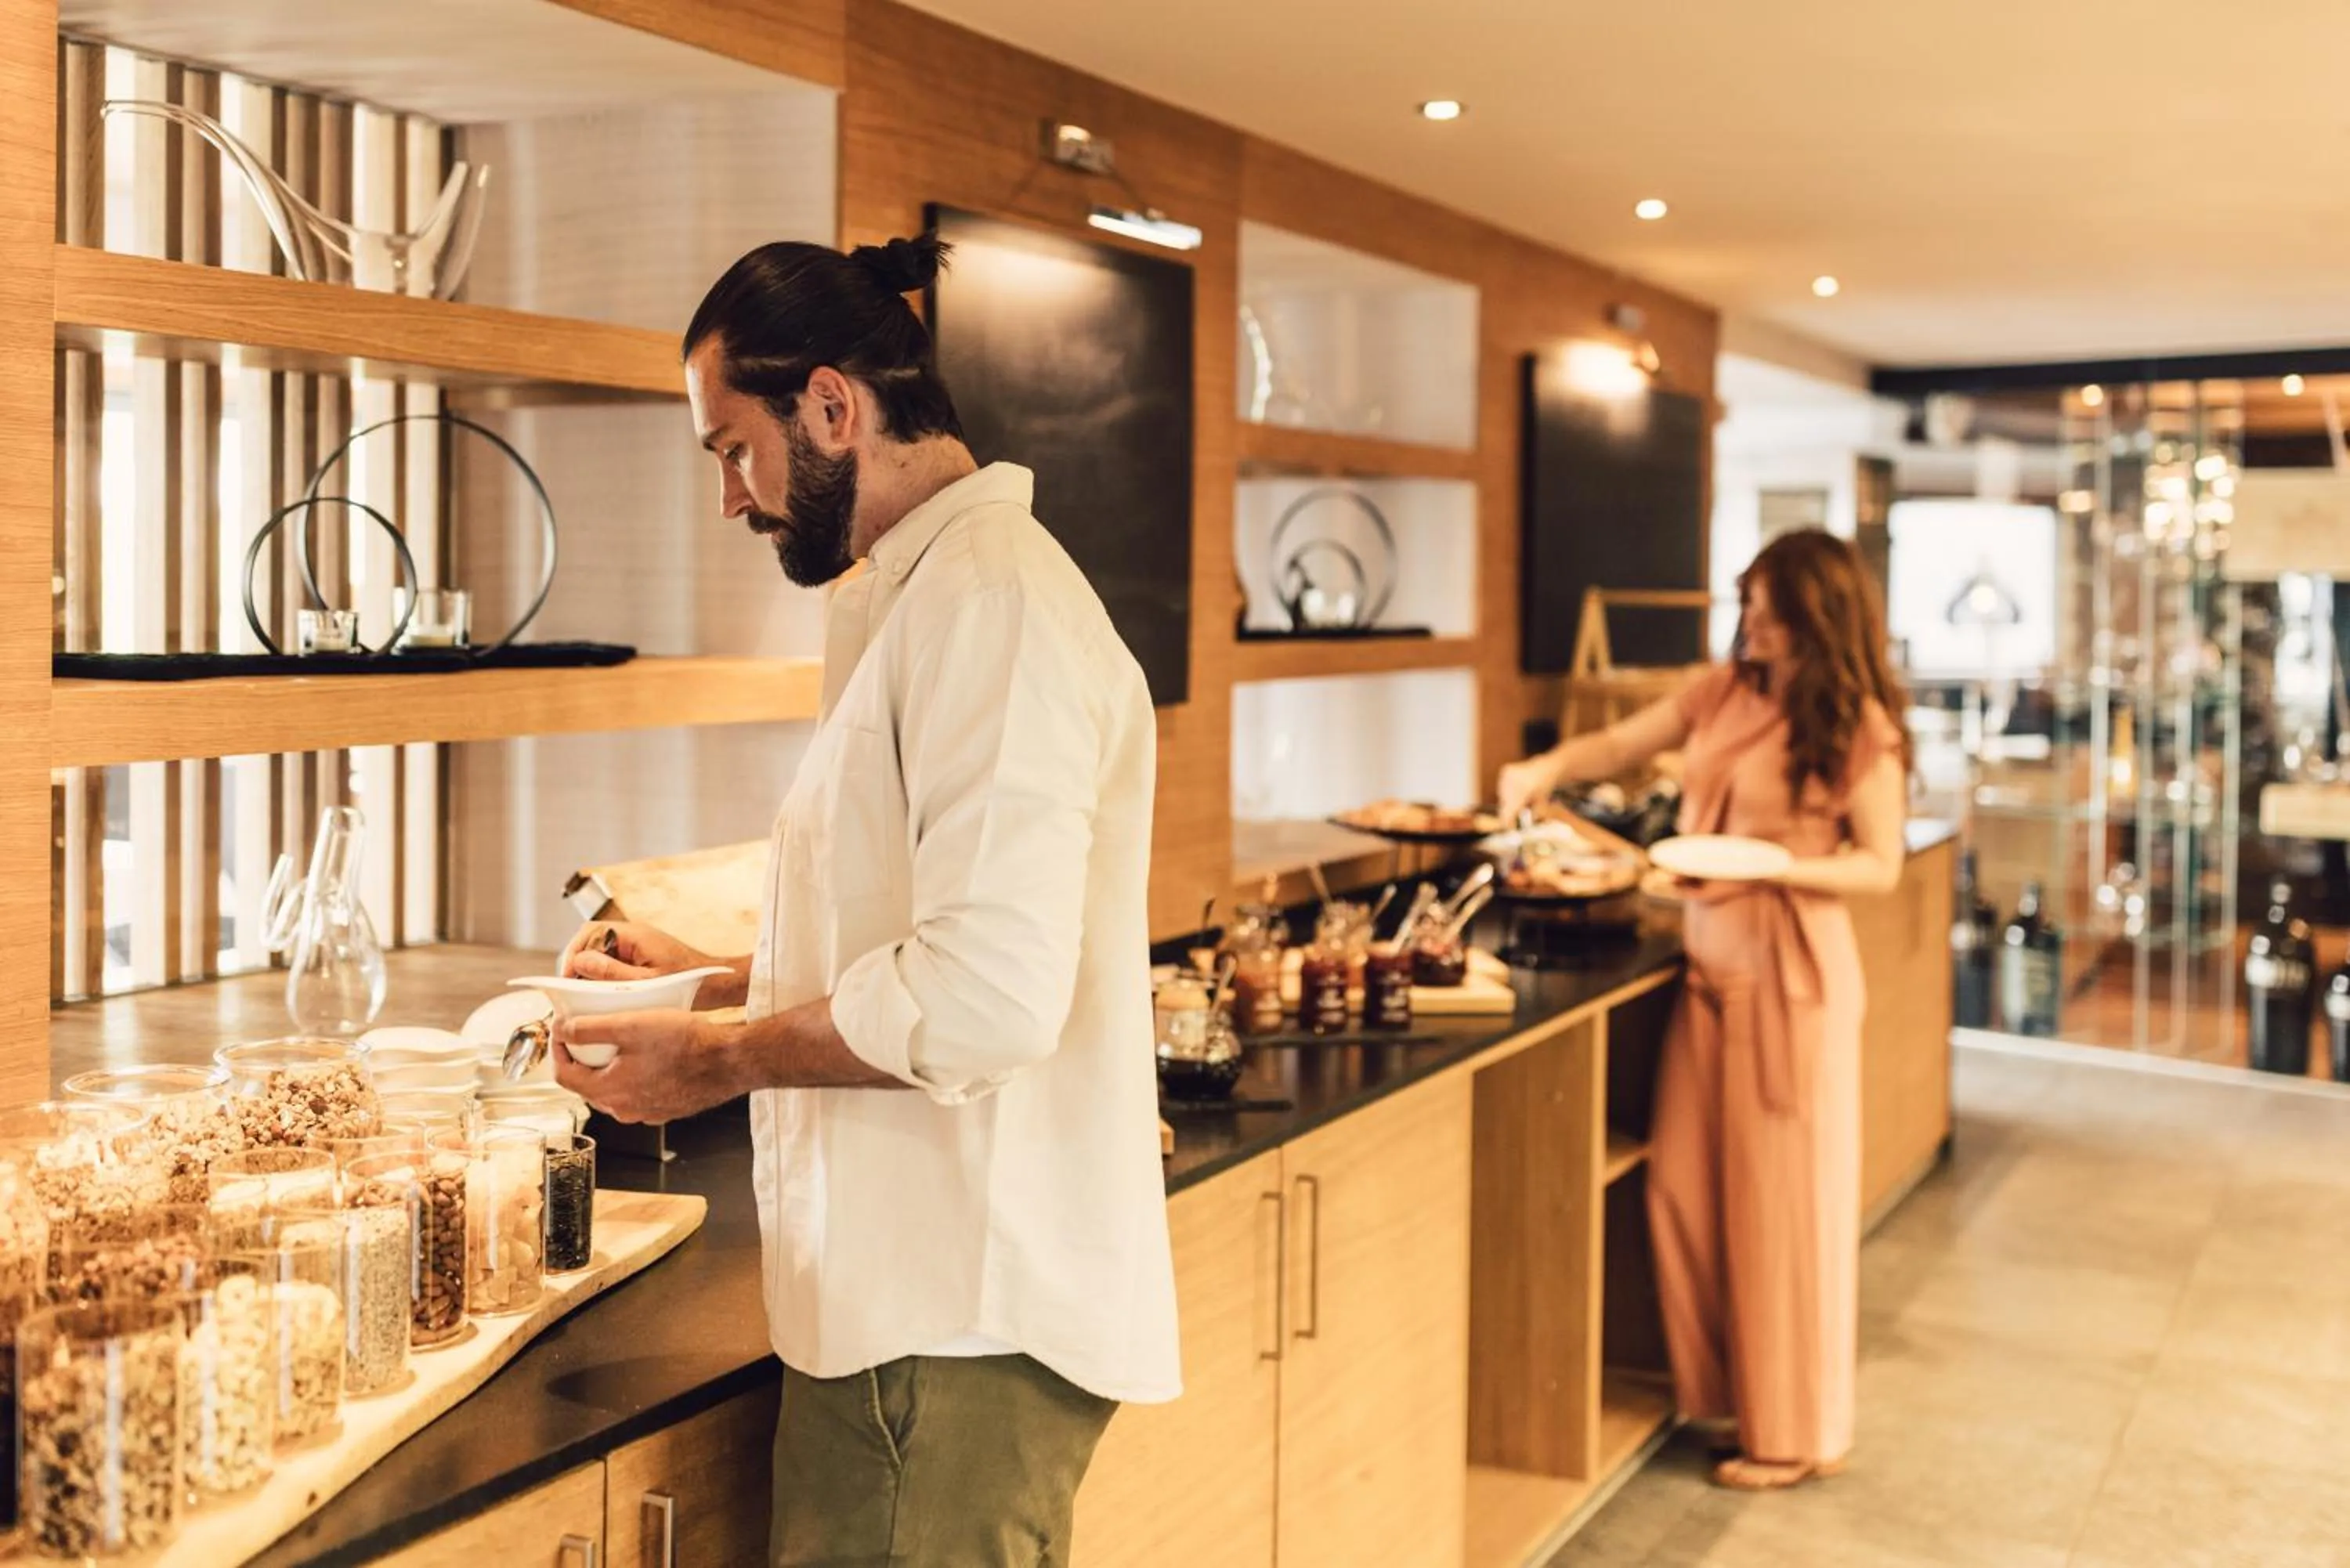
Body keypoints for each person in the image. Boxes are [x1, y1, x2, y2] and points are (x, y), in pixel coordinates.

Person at [548, 233, 1180, 1566]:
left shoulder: (991, 605)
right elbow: (924, 927)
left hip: (948, 1329)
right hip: (920, 1323)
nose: (731, 497)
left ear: (832, 405)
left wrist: (715, 1060)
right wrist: (716, 978)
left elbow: (984, 998)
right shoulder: (931, 596)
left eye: (734, 448)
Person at [1499, 529, 1910, 1490]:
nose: (1749, 620)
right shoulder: (1723, 691)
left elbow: (1880, 865)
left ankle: (1796, 1433)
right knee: (1681, 1186)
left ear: (1815, 614)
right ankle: (1732, 1391)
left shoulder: (1858, 726)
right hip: (1710, 970)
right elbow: (1621, 744)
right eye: (1748, 601)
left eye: (1767, 607)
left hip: (1791, 976)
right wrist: (1544, 768)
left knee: (1786, 1209)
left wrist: (1778, 866)